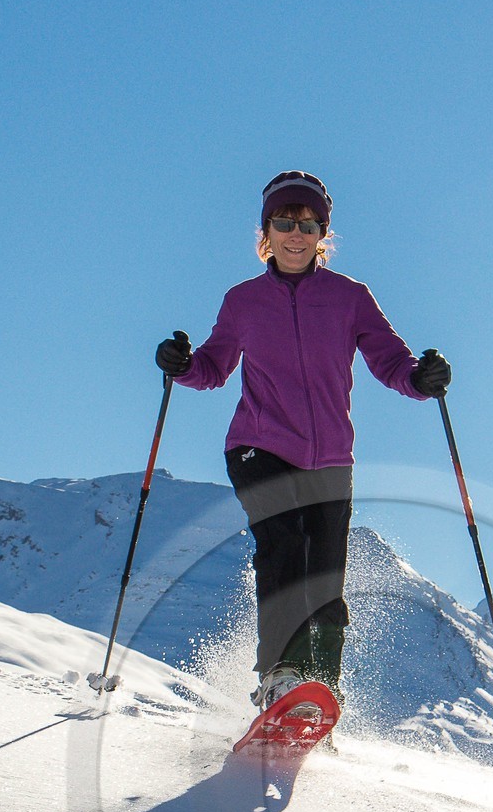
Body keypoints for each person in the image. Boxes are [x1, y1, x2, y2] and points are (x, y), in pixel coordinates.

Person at [155, 170, 450, 714]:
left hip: (331, 457)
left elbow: (390, 359)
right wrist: (184, 366)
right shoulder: (243, 301)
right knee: (284, 546)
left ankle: (320, 695)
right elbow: (214, 367)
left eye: (308, 224)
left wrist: (420, 379)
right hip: (258, 444)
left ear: (323, 233)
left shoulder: (350, 298)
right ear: (267, 229)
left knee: (326, 583)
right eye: (285, 222)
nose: (296, 234)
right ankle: (280, 676)